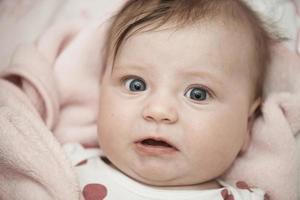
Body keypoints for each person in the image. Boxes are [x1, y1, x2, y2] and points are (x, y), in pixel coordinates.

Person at [64, 0, 277, 199]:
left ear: (247, 124)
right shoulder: (65, 166)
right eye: (135, 85)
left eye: (197, 94)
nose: (158, 111)